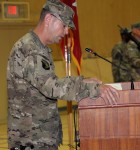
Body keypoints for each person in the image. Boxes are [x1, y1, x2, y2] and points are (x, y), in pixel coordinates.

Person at [7, 0, 119, 150]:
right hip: (31, 141)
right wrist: (92, 89)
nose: (66, 32)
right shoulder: (30, 49)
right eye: (64, 25)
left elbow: (50, 82)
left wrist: (83, 81)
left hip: (38, 138)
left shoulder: (38, 47)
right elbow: (52, 88)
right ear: (48, 20)